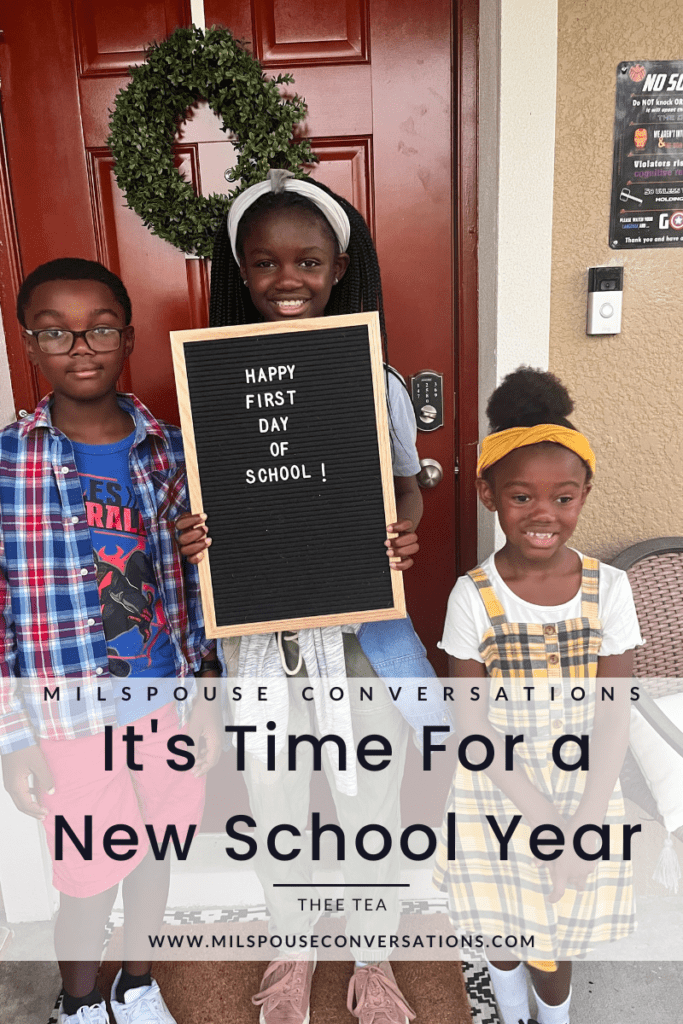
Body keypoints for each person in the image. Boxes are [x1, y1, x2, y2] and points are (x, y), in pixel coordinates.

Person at [178, 170, 451, 1024]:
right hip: (261, 639)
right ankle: (294, 944)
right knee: (275, 798)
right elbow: (215, 502)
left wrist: (401, 534)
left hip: (358, 639)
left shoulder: (377, 382)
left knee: (368, 795)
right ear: (241, 274)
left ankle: (373, 956)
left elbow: (408, 492)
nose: (284, 278)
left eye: (306, 260)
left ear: (339, 269)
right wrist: (197, 539)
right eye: (263, 263)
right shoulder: (215, 385)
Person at [0, 259, 222, 1024]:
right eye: (55, 332)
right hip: (65, 716)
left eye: (98, 327)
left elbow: (199, 589)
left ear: (126, 336)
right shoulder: (7, 462)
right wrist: (11, 736)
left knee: (155, 848)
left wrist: (206, 693)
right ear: (29, 346)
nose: (80, 346)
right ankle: (81, 999)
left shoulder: (170, 451)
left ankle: (138, 980)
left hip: (163, 695)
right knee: (89, 873)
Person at [433, 367, 643, 1024]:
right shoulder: (472, 596)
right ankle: (507, 1008)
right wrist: (537, 817)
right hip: (496, 790)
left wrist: (579, 824)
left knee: (554, 939)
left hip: (584, 790)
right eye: (521, 497)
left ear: (584, 495)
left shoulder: (607, 589)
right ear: (488, 495)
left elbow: (613, 718)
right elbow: (470, 726)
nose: (543, 514)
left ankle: (550, 1018)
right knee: (500, 928)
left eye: (562, 497)